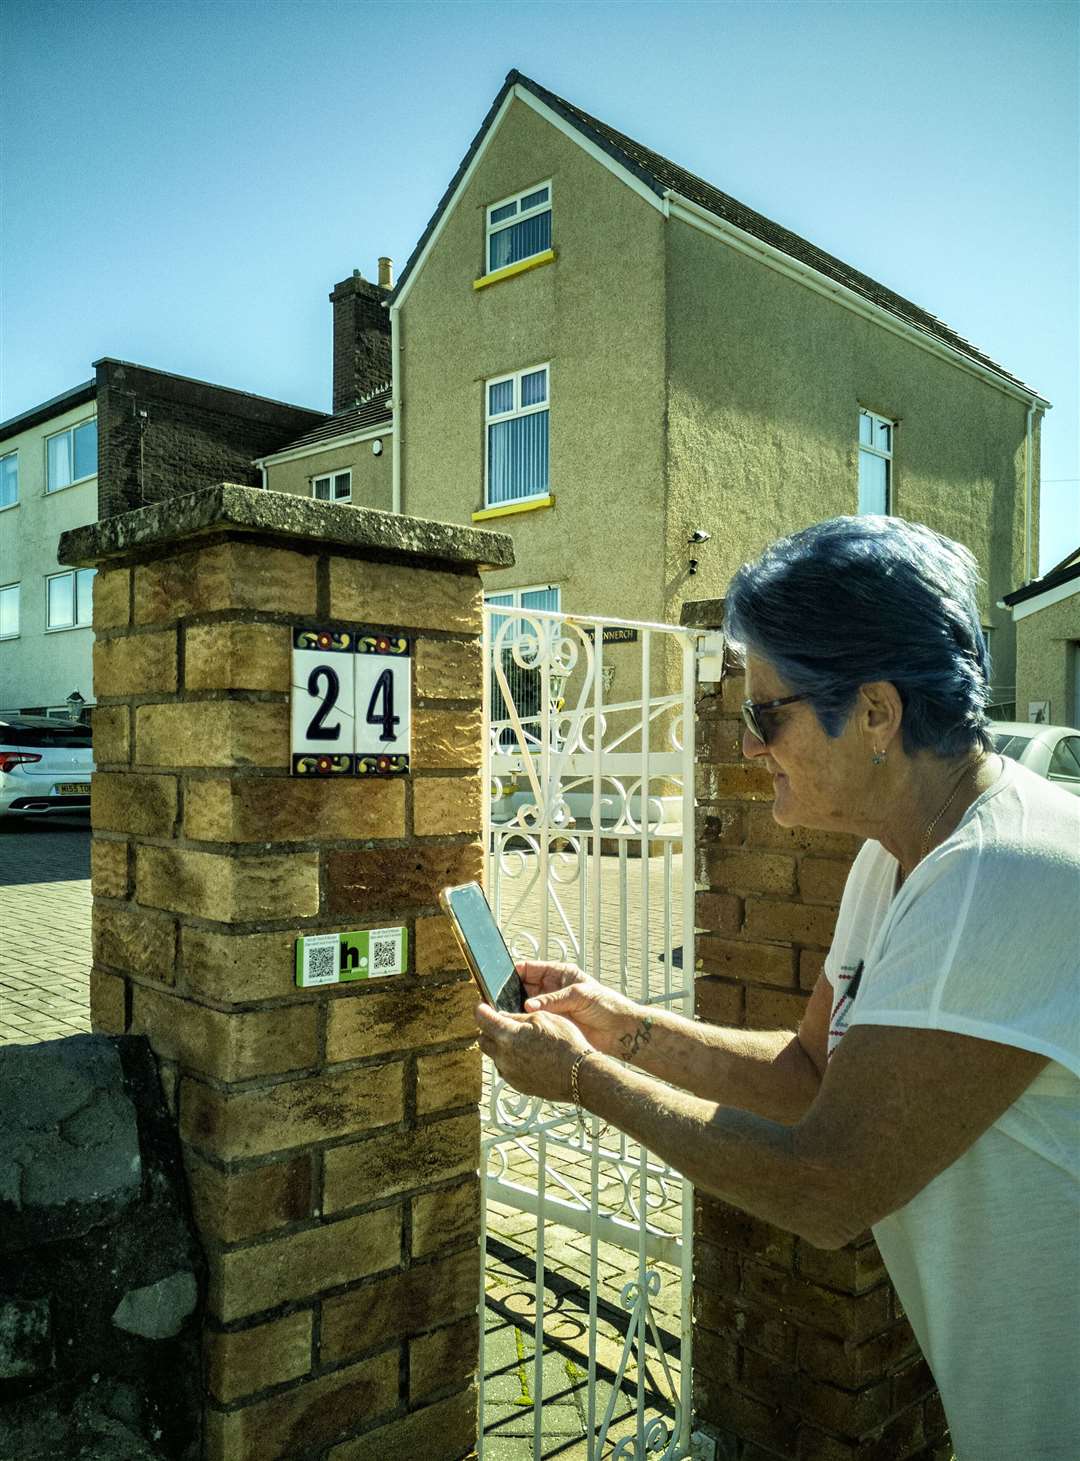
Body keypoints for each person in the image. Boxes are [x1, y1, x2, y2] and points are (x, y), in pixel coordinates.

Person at [475, 516, 1080, 1460]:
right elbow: (810, 1071)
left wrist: (583, 1082)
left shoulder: (996, 874)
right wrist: (620, 1027)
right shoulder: (900, 856)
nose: (750, 747)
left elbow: (827, 1186)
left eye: (766, 714)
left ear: (876, 713)